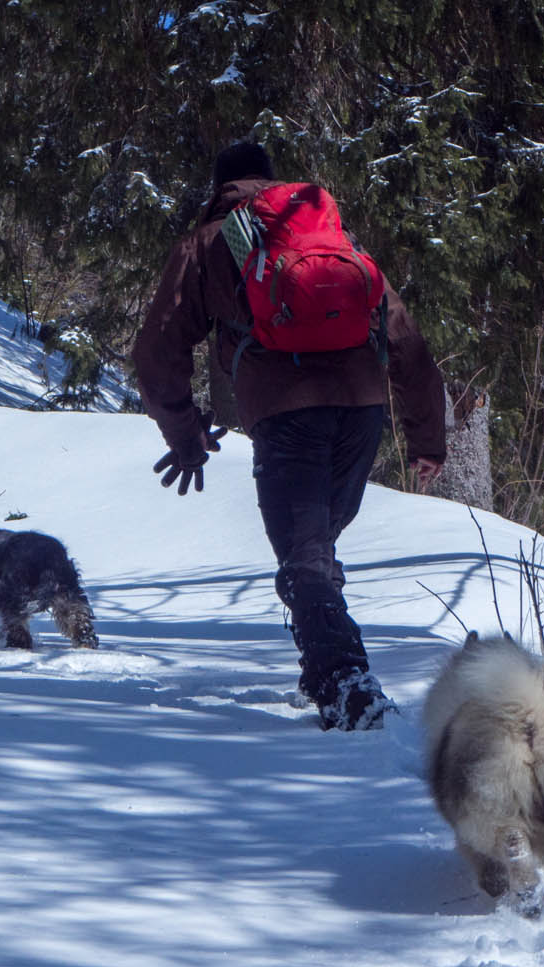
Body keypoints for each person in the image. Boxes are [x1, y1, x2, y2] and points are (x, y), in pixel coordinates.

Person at [130, 139, 447, 731]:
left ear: (219, 188)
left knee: (303, 558)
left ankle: (350, 686)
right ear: (268, 182)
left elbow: (157, 349)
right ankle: (322, 668)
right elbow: (402, 334)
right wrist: (427, 437)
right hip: (361, 409)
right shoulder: (331, 234)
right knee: (316, 547)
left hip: (286, 411)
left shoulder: (209, 243)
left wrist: (185, 433)